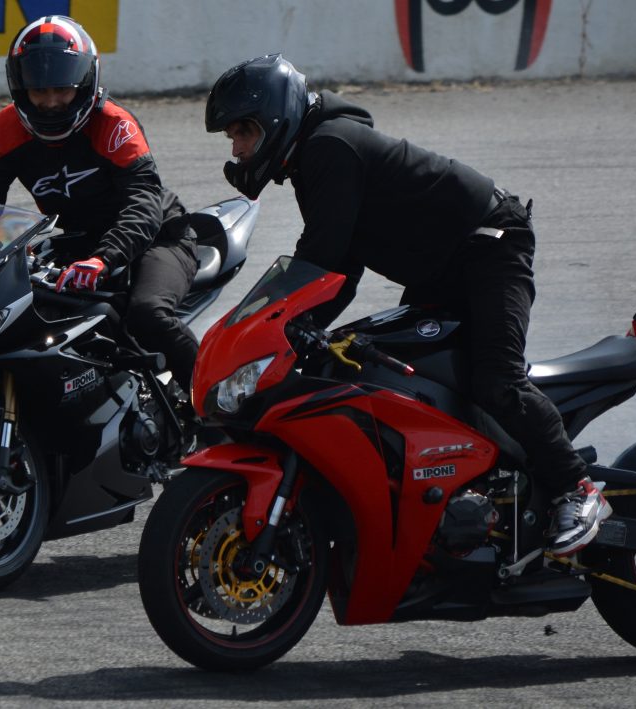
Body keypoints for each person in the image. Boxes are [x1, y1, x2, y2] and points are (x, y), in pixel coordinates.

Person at [205, 54, 611, 556]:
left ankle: (578, 488)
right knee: (411, 376)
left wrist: (280, 333)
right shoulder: (317, 157)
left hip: (491, 245)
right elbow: (341, 271)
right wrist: (299, 332)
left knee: (496, 380)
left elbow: (322, 257)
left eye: (241, 134)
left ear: (271, 122)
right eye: (231, 139)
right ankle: (486, 494)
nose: (237, 149)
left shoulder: (330, 148)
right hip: (445, 266)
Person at [0, 15, 199, 393]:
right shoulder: (8, 127)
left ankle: (220, 406)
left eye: (63, 90)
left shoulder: (114, 124)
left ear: (84, 86)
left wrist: (104, 258)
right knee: (21, 317)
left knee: (148, 314)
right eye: (39, 92)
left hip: (158, 237)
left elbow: (144, 202)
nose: (51, 103)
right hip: (82, 241)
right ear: (20, 89)